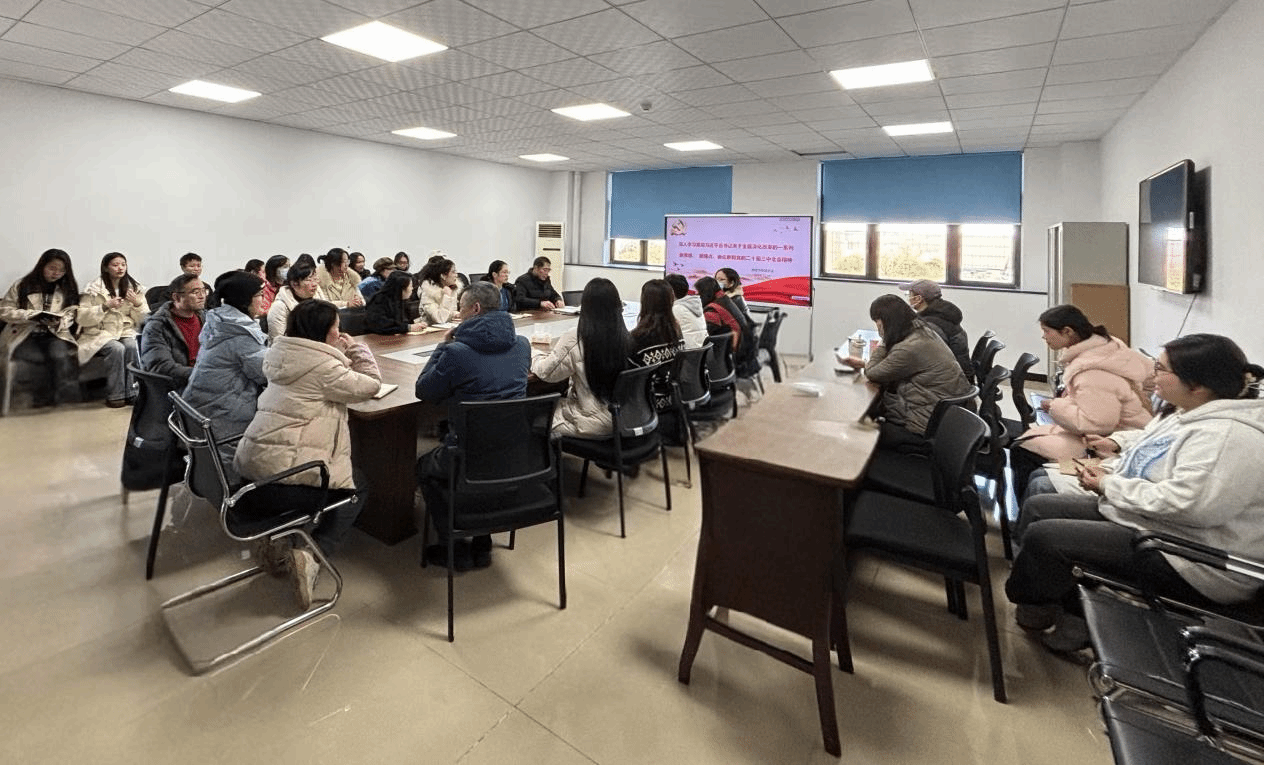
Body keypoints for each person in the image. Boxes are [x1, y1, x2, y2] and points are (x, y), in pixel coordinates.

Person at [1005, 334, 1264, 653]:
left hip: (1191, 556)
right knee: (1042, 505)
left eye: (1161, 369)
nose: (1152, 375)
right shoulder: (1191, 411)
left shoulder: (1229, 437)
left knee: (1046, 536)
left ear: (1197, 384)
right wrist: (1115, 448)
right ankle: (1051, 598)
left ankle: (1049, 610)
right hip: (1152, 519)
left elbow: (1187, 506)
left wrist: (1107, 485)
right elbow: (1151, 445)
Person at [235, 299, 380, 608]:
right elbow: (370, 385)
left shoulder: (279, 355)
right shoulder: (324, 368)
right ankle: (313, 555)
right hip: (283, 482)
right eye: (337, 328)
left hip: (251, 472)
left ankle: (278, 539)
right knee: (357, 485)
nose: (340, 333)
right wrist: (356, 350)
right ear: (323, 333)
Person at [415, 281, 530, 570]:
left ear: (475, 309)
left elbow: (424, 390)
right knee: (482, 460)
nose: (458, 314)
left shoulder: (458, 352)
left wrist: (443, 345)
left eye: (461, 308)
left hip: (467, 456)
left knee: (424, 467)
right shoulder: (522, 345)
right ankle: (482, 541)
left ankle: (452, 546)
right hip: (515, 453)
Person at [1009, 304, 1154, 501]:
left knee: (1024, 451)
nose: (1044, 337)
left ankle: (1030, 508)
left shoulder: (1092, 372)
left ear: (1067, 331)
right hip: (1120, 435)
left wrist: (1055, 406)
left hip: (1108, 449)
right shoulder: (1108, 349)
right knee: (1027, 444)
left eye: (1047, 331)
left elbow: (1095, 424)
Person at [841, 294, 974, 451]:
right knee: (873, 409)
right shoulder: (923, 332)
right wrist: (865, 363)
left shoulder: (909, 347)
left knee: (855, 429)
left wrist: (885, 338)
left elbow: (872, 373)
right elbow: (893, 366)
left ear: (886, 322)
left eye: (877, 322)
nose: (877, 327)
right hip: (944, 419)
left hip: (923, 427)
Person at [182, 272, 268, 479]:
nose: (263, 300)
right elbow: (268, 373)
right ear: (244, 300)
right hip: (226, 425)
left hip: (204, 415)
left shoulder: (221, 321)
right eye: (259, 295)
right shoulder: (239, 333)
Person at [532, 278, 628, 438]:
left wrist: (535, 354)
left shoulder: (576, 337)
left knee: (534, 412)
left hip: (593, 421)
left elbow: (547, 373)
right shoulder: (625, 336)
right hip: (625, 417)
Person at [0, 249, 81, 407]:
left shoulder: (67, 288)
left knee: (60, 355)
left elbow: (71, 313)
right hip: (25, 333)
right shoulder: (22, 285)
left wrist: (60, 322)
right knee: (38, 357)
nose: (56, 273)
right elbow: (4, 311)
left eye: (61, 270)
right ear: (42, 266)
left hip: (53, 334)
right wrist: (29, 315)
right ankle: (43, 399)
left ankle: (64, 402)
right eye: (52, 268)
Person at [77, 252, 148, 407]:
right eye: (115, 265)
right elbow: (82, 318)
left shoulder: (134, 288)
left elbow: (143, 321)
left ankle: (131, 392)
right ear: (105, 268)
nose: (120, 268)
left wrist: (137, 304)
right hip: (99, 332)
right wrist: (105, 306)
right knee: (116, 348)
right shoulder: (93, 289)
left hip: (124, 330)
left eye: (123, 264)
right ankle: (116, 395)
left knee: (131, 345)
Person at [140, 273, 206, 391]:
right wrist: (203, 374)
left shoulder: (206, 318)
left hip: (204, 381)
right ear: (176, 297)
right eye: (195, 292)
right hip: (179, 386)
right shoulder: (157, 326)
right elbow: (161, 366)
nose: (202, 296)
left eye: (204, 291)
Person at [629, 279, 684, 413]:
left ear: (644, 302)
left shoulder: (637, 338)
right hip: (674, 398)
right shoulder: (676, 331)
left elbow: (628, 379)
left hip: (649, 404)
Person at [900, 279, 971, 379]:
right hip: (958, 375)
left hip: (949, 381)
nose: (908, 298)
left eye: (909, 295)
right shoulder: (944, 314)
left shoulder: (930, 326)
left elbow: (921, 357)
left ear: (918, 299)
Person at [696, 276, 759, 378]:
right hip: (744, 353)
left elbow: (704, 338)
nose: (697, 296)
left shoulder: (712, 310)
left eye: (699, 293)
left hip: (734, 358)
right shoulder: (725, 300)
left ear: (705, 293)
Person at [266, 258, 319, 341]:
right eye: (308, 280)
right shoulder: (280, 307)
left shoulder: (317, 297)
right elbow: (278, 341)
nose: (314, 284)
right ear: (294, 284)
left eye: (315, 279)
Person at [665, 273, 707, 349]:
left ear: (670, 292)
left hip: (685, 353)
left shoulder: (676, 309)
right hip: (700, 352)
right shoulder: (694, 304)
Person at [417, 256, 460, 324]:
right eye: (453, 272)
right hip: (430, 328)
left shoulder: (452, 288)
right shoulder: (428, 293)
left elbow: (451, 311)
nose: (456, 275)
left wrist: (456, 314)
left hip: (447, 326)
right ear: (443, 276)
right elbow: (440, 319)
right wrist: (447, 297)